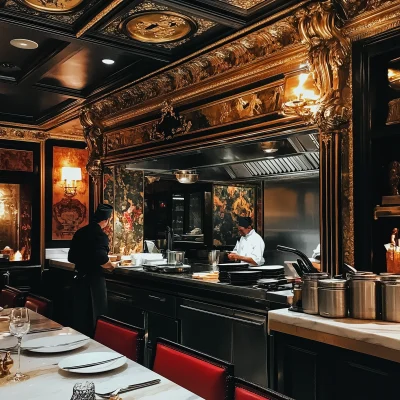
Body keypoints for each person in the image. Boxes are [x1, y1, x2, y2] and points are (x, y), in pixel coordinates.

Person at [68, 203, 118, 337]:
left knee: (79, 317)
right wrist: (112, 266)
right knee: (95, 316)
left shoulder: (80, 232)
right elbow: (102, 259)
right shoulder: (100, 235)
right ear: (106, 221)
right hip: (93, 282)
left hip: (78, 280)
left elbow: (71, 257)